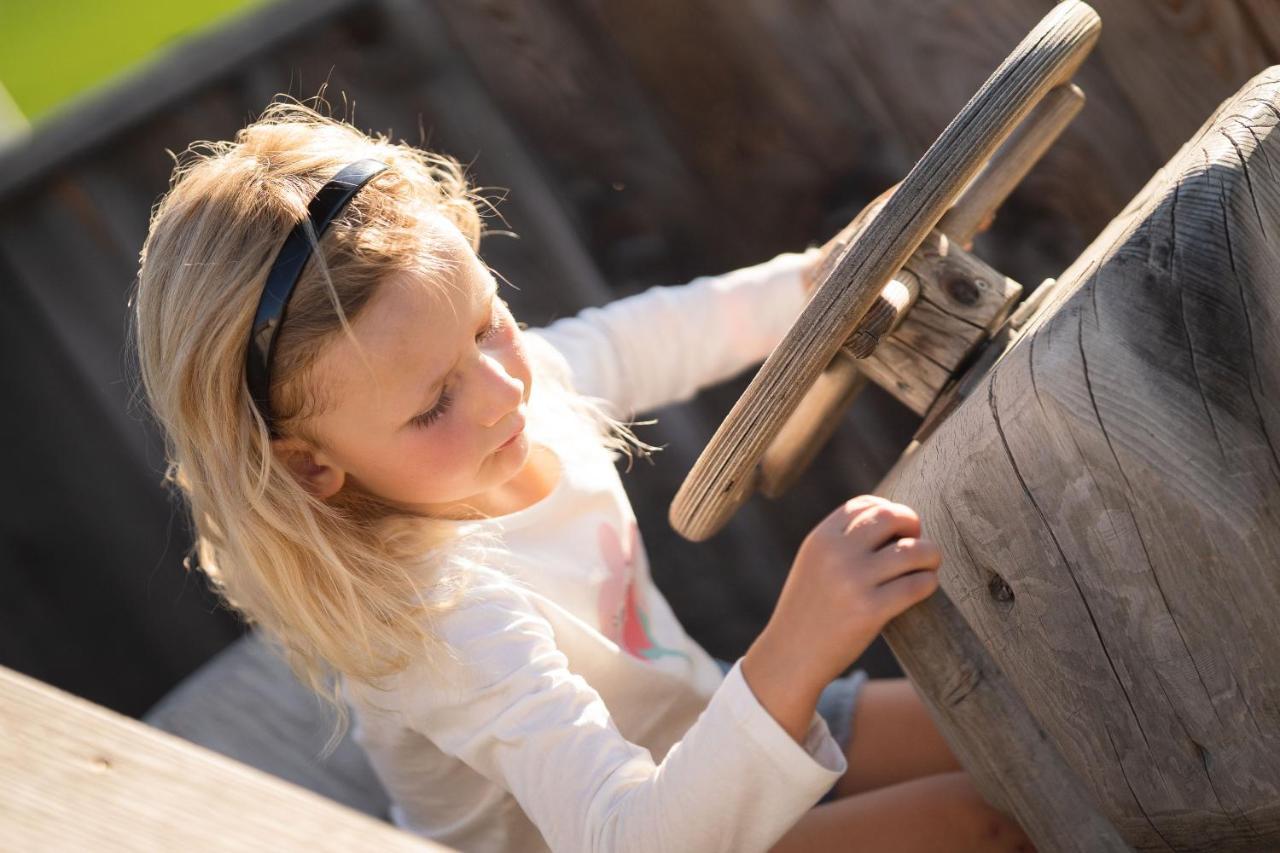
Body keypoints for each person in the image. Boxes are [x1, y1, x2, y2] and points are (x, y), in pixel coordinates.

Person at [132, 100, 1035, 853]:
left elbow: (660, 332)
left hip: (703, 729)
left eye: (487, 323)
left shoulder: (519, 388)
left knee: (1022, 725)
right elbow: (628, 835)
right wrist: (798, 644)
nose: (499, 392)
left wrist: (816, 283)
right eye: (431, 403)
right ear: (311, 464)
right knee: (988, 819)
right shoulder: (439, 623)